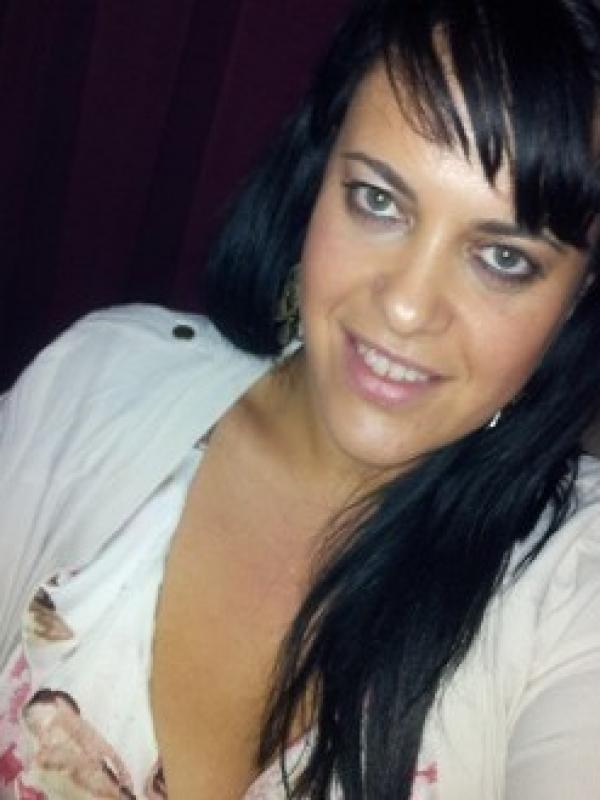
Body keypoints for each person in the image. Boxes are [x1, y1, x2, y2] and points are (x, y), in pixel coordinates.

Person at [1, 0, 600, 797]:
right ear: (317, 176)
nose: (406, 307)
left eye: (503, 257)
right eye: (379, 200)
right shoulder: (94, 385)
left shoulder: (574, 582)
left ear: (578, 294)